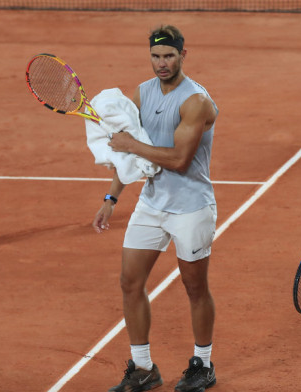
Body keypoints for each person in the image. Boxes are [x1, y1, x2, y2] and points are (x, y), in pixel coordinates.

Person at [92, 24, 218, 392]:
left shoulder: (196, 101)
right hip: (151, 203)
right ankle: (144, 368)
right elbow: (126, 152)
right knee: (130, 282)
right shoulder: (143, 93)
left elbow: (178, 159)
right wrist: (111, 198)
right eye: (155, 56)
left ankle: (203, 365)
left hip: (191, 208)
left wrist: (130, 144)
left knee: (195, 287)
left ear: (182, 55)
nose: (161, 63)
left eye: (168, 56)